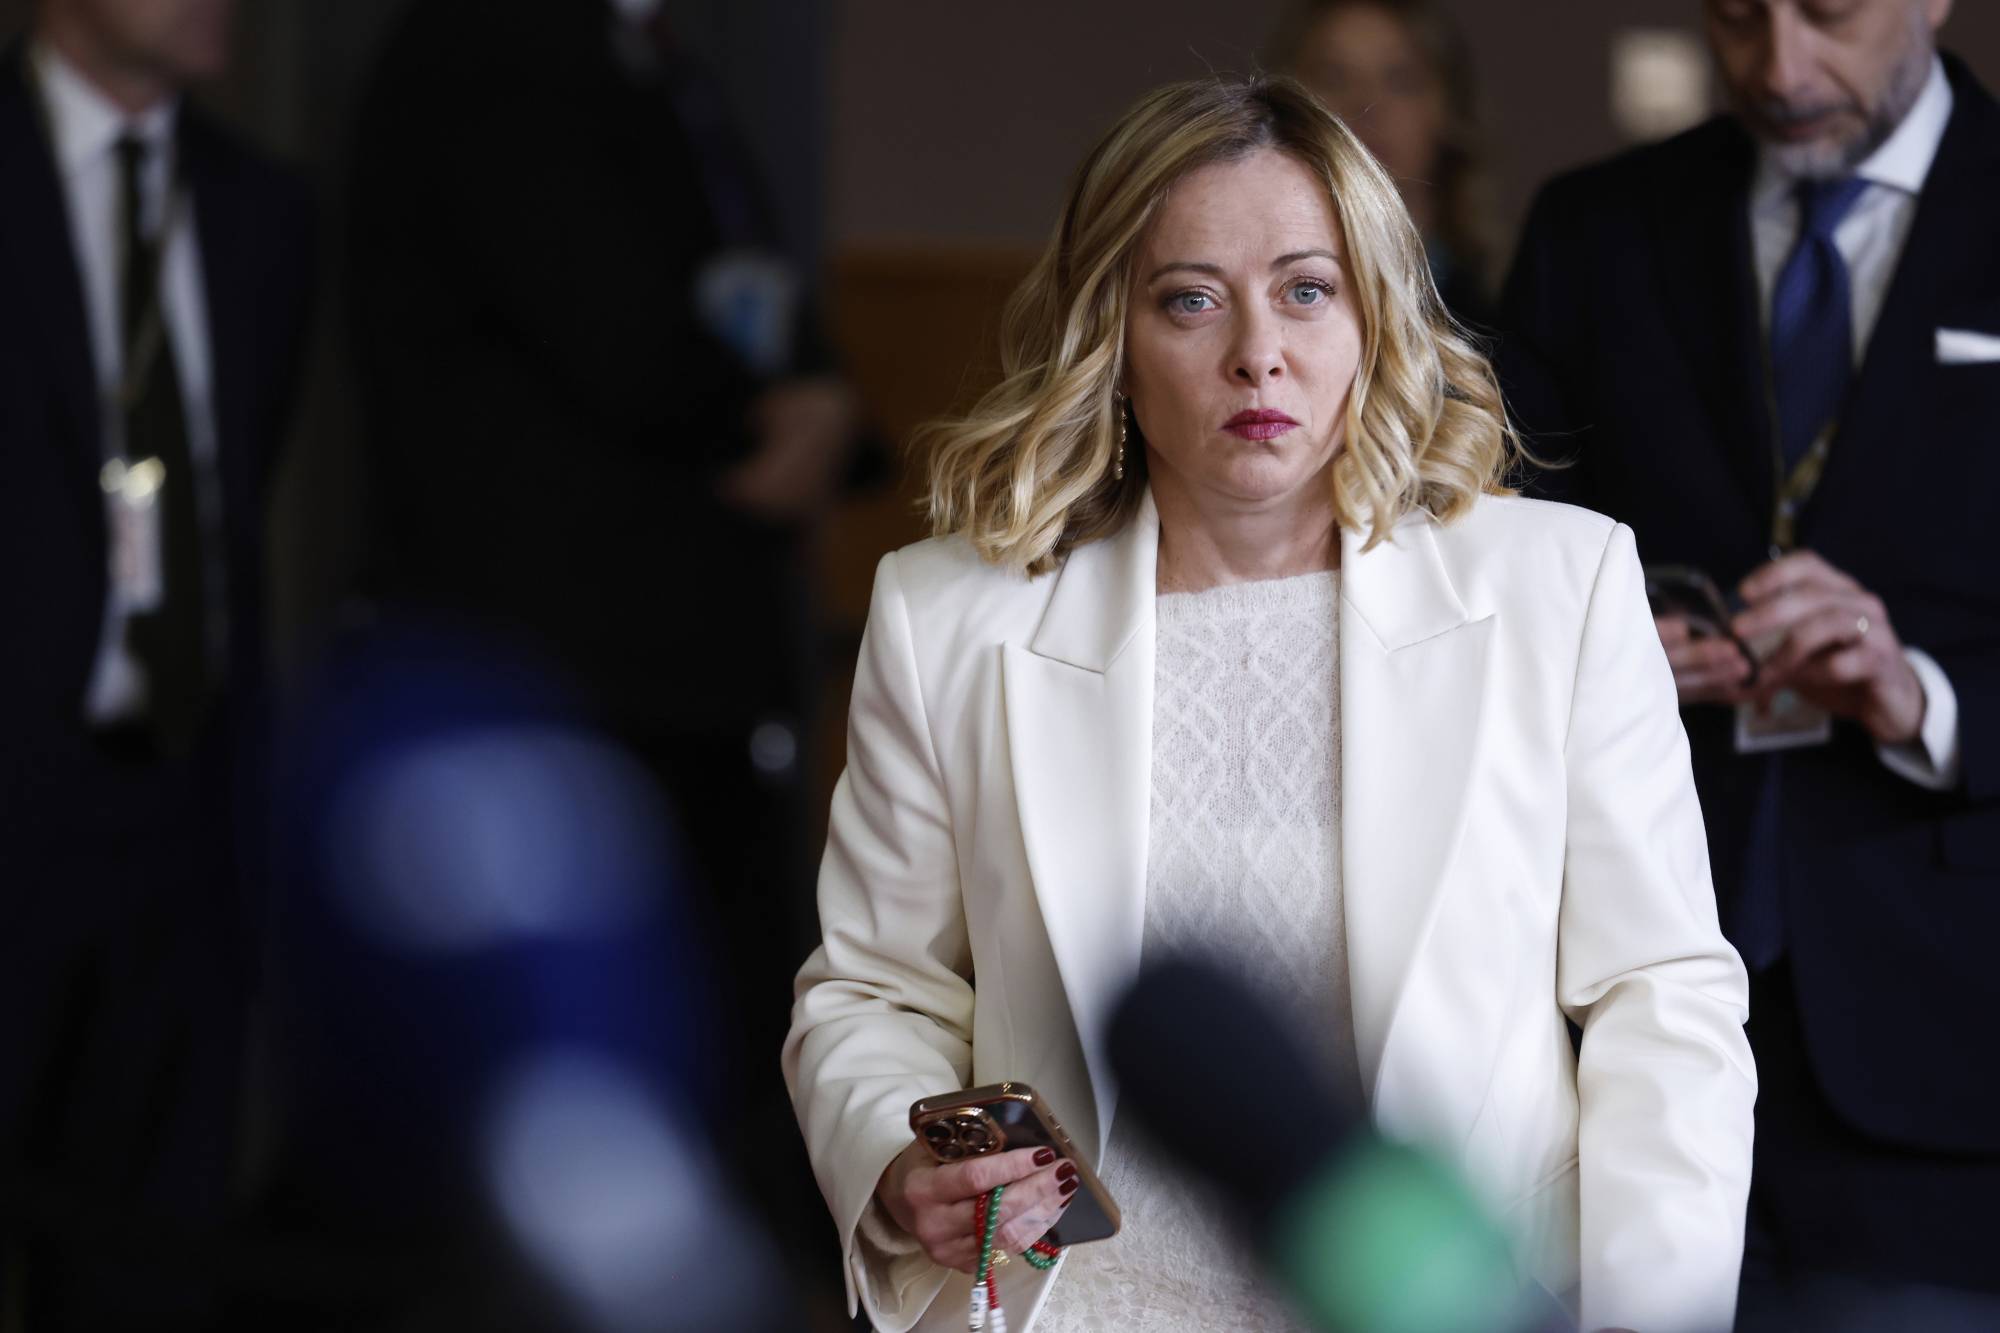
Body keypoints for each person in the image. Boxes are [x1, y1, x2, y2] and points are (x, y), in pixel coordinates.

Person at [786, 75, 1755, 1333]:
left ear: (1373, 314)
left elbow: (1659, 998)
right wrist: (897, 1160)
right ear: (1111, 334)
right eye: (1190, 299)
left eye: (1306, 289)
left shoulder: (1555, 586)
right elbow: (872, 989)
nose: (1258, 351)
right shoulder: (947, 616)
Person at [346, 0, 866, 1309]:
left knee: (722, 1077)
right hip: (566, 690)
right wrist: (781, 410)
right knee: (587, 1117)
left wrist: (828, 407)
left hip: (681, 681)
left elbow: (749, 281)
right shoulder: (492, 48)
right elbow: (620, 332)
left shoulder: (660, 62)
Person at [1499, 1, 2000, 1327]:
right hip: (1611, 1027)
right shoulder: (1595, 228)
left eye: (1825, 10)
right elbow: (1484, 555)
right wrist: (1594, 659)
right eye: (1735, 15)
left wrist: (1925, 696)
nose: (1777, 67)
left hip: (1946, 1040)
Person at [0, 0, 313, 1327]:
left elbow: (241, 486)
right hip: (15, 800)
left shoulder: (263, 209)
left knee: (150, 1257)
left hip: (184, 809)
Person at [1274, 0, 1497, 327]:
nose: (1367, 104)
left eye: (1401, 80)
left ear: (1448, 112)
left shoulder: (1499, 322)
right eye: (1333, 77)